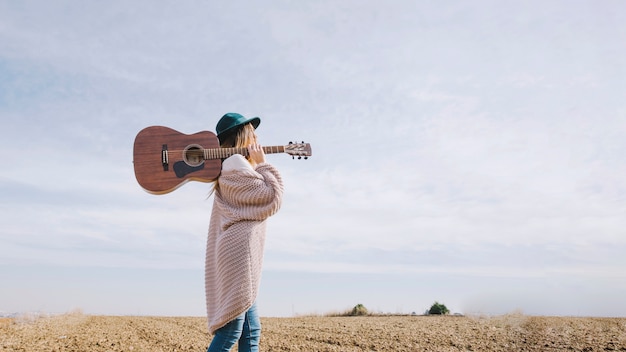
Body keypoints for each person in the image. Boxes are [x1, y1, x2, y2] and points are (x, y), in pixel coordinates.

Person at [205, 112, 284, 352]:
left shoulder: (229, 167)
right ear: (243, 136)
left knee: (251, 331)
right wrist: (262, 164)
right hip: (239, 257)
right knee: (231, 332)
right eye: (254, 133)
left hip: (238, 255)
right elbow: (271, 197)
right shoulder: (235, 163)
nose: (258, 138)